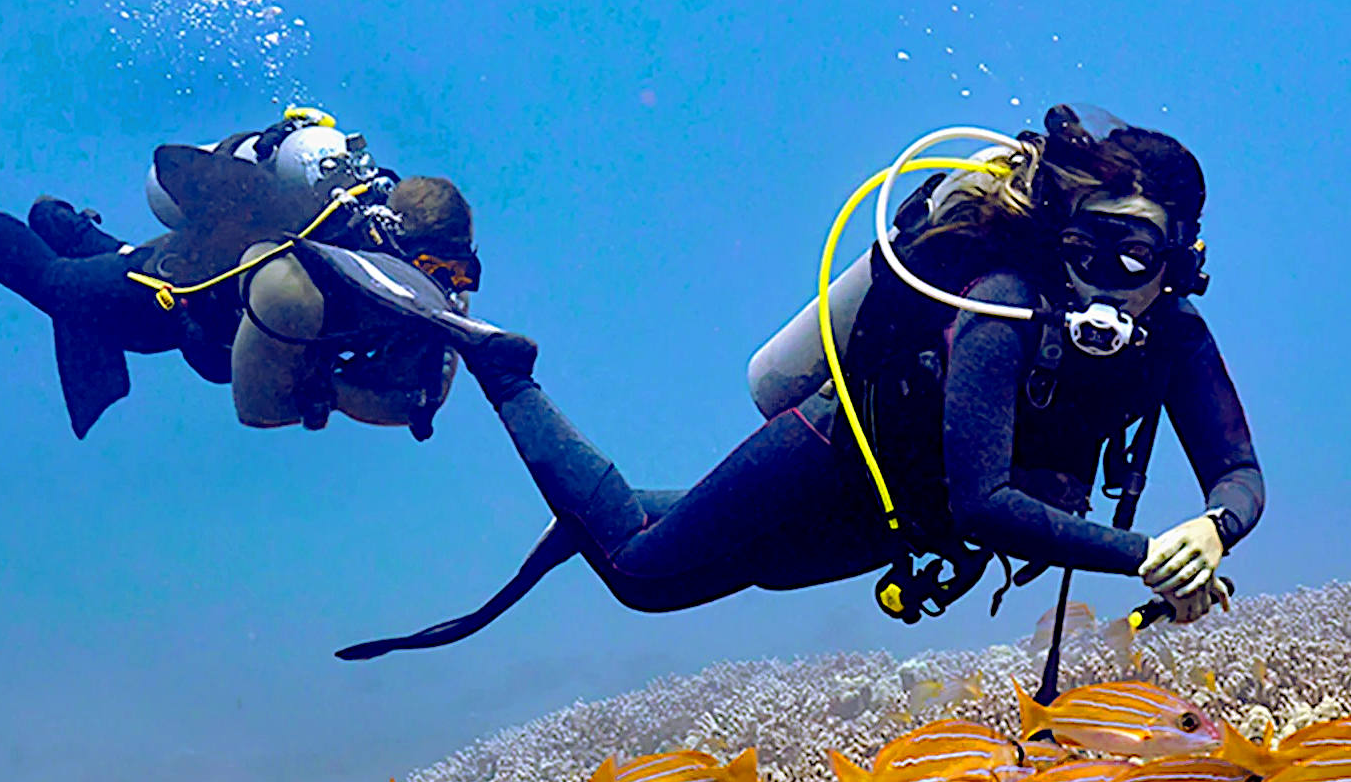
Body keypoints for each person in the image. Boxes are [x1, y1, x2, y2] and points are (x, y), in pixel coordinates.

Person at [339, 104, 1262, 659]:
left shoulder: (1174, 335)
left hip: (898, 516)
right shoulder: (1002, 303)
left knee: (756, 572)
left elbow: (1238, 472)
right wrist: (1143, 553)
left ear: (1179, 260)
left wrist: (1210, 532)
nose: (1107, 276)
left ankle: (600, 505)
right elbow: (983, 505)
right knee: (643, 578)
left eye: (1134, 251)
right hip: (834, 455)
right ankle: (507, 373)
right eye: (1085, 244)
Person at [0, 109, 480, 440]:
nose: (447, 284)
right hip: (158, 292)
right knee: (55, 286)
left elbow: (412, 404)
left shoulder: (399, 280)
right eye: (440, 268)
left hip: (193, 302)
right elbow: (257, 407)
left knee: (115, 266)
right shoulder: (314, 267)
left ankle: (64, 222)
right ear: (401, 241)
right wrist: (328, 390)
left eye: (458, 272)